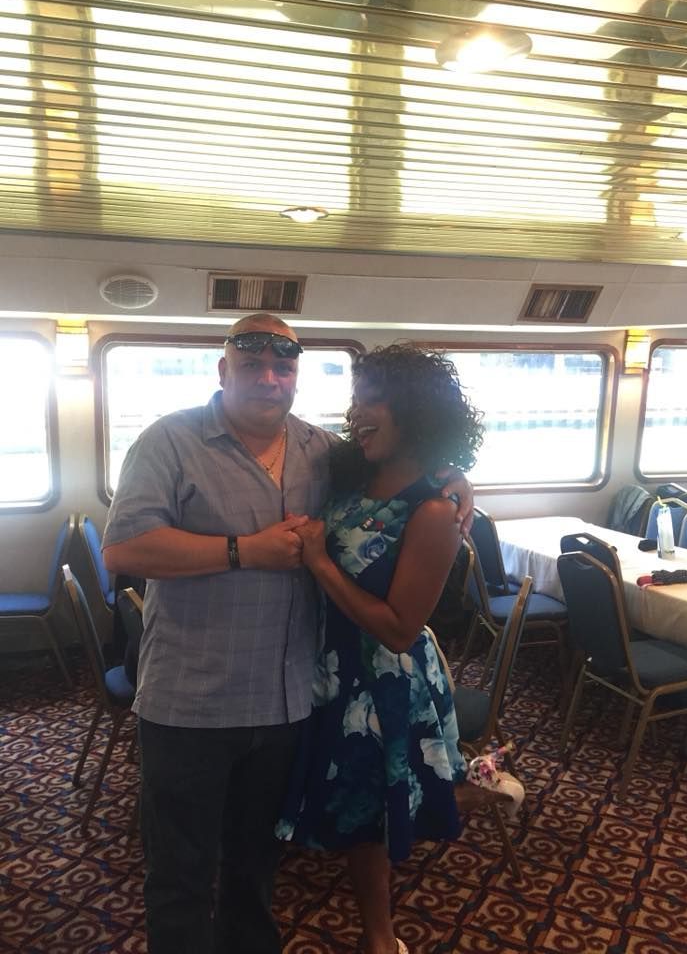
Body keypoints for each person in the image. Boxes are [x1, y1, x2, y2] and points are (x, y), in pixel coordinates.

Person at [101, 315, 473, 954]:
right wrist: (246, 550)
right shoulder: (168, 441)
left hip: (288, 700)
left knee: (255, 865)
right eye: (252, 366)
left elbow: (407, 473)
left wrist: (455, 478)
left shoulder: (324, 452)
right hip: (190, 700)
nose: (269, 380)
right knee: (181, 871)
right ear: (223, 370)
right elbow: (126, 550)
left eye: (284, 367)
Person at [275, 344, 486, 954]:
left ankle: (381, 939)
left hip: (382, 678)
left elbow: (397, 628)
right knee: (351, 807)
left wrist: (319, 563)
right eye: (354, 398)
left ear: (415, 411)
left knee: (371, 817)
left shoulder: (433, 512)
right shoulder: (353, 473)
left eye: (372, 399)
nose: (356, 413)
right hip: (331, 668)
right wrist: (458, 470)